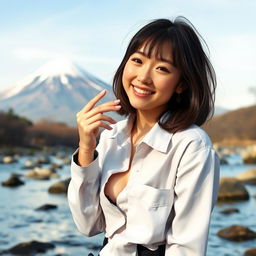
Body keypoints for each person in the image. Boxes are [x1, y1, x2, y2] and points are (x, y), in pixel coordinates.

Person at [68, 17, 220, 256]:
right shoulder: (111, 136)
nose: (143, 77)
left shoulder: (191, 145)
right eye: (137, 60)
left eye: (162, 68)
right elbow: (88, 225)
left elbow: (187, 248)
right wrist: (86, 149)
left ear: (181, 84)